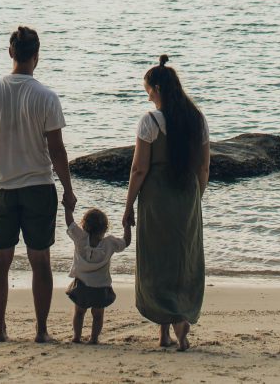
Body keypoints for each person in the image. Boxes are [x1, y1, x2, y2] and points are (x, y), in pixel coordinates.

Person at [0, 26, 77, 343]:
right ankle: (41, 329)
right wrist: (69, 189)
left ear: (10, 53)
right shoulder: (45, 96)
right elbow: (57, 150)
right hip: (37, 187)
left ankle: (0, 328)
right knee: (40, 260)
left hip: (0, 185)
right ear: (36, 56)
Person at [123, 55, 210, 351]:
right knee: (183, 259)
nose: (147, 94)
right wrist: (197, 196)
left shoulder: (150, 122)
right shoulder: (197, 119)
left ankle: (164, 332)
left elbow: (139, 168)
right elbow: (203, 168)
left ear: (157, 87)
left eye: (147, 89)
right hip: (187, 195)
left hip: (156, 198)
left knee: (157, 260)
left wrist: (127, 206)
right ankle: (180, 322)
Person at [64, 206, 130, 344]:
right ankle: (94, 338)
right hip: (101, 288)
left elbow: (70, 223)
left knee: (79, 313)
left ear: (84, 225)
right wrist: (127, 225)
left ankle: (76, 337)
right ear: (105, 228)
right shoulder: (110, 243)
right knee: (98, 315)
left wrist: (68, 208)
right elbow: (126, 242)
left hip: (82, 286)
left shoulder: (80, 239)